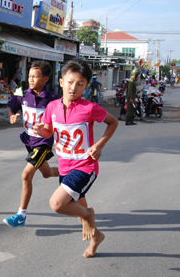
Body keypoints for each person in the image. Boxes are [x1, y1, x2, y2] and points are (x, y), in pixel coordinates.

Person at [33, 59, 118, 258]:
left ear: (86, 87)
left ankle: (90, 214)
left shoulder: (89, 108)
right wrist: (40, 130)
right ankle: (96, 236)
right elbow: (49, 133)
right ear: (61, 82)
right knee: (79, 211)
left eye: (80, 84)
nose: (74, 88)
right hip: (65, 168)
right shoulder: (52, 107)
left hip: (85, 167)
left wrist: (99, 145)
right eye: (70, 82)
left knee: (58, 204)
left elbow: (113, 122)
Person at [3, 61, 60, 228]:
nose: (31, 79)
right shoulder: (21, 93)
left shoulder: (53, 99)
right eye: (29, 76)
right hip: (28, 141)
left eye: (35, 77)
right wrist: (12, 116)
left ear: (45, 79)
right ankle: (69, 171)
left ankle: (21, 215)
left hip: (43, 143)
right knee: (47, 173)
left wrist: (47, 127)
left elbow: (61, 121)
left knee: (26, 175)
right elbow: (12, 110)